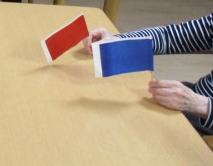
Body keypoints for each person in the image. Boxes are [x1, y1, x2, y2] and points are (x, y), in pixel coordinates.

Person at [83, 13, 213, 135]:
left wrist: (202, 105)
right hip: (195, 97)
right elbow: (169, 37)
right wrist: (115, 41)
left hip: (203, 119)